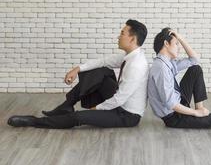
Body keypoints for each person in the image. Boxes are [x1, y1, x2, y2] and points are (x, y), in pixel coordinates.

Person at [8, 19, 149, 129]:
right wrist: (77, 69)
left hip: (126, 115)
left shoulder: (136, 65)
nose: (118, 36)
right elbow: (104, 61)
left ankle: (35, 121)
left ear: (132, 39)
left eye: (122, 33)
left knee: (78, 118)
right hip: (120, 102)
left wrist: (96, 109)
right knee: (100, 70)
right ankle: (67, 105)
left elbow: (119, 99)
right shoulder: (130, 55)